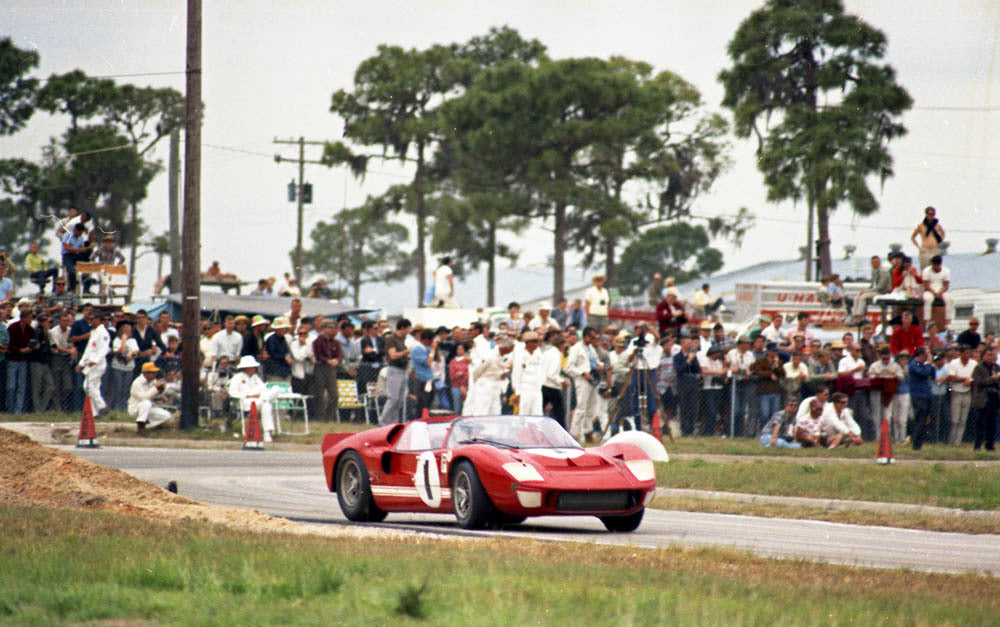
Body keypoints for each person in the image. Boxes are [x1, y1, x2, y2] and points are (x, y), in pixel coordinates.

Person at [566, 326, 604, 442]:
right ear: (586, 336)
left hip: (593, 379)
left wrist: (599, 365)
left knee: (591, 408)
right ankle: (573, 434)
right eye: (592, 337)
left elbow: (595, 360)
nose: (594, 340)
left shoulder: (591, 348)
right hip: (582, 380)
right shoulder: (576, 348)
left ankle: (588, 432)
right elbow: (569, 367)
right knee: (581, 408)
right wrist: (582, 373)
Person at [227, 356, 278, 442]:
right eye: (253, 366)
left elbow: (264, 390)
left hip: (260, 400)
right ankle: (267, 433)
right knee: (266, 403)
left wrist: (261, 396)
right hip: (246, 403)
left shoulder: (256, 378)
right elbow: (232, 392)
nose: (255, 368)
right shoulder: (237, 377)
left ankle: (266, 433)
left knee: (275, 390)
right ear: (247, 368)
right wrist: (249, 396)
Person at [77, 311, 111, 416]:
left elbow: (104, 349)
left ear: (98, 320)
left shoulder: (103, 332)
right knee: (91, 387)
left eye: (92, 319)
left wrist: (95, 361)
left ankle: (101, 406)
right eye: (89, 319)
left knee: (89, 386)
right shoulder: (94, 332)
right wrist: (81, 363)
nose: (90, 322)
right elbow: (89, 349)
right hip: (90, 363)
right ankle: (94, 412)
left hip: (98, 363)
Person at [380, 318, 412, 424]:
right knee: (393, 398)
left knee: (399, 400)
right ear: (402, 328)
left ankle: (393, 422)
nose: (409, 331)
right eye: (408, 329)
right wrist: (406, 352)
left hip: (403, 370)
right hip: (395, 371)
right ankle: (383, 421)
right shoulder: (391, 339)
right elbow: (392, 355)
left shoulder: (402, 340)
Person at [129, 362, 173, 435]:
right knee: (146, 403)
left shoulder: (152, 381)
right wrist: (155, 388)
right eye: (152, 372)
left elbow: (154, 395)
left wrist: (160, 390)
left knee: (167, 415)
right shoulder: (137, 383)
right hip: (135, 408)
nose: (155, 374)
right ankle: (140, 427)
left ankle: (153, 426)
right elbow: (143, 398)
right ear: (146, 373)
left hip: (147, 408)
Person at [946, 344, 977, 445]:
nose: (968, 355)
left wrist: (970, 381)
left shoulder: (974, 363)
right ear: (961, 353)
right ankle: (951, 440)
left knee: (963, 420)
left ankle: (958, 442)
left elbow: (976, 377)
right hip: (956, 393)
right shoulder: (954, 363)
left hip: (968, 393)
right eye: (966, 353)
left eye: (969, 353)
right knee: (955, 419)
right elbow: (951, 377)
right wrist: (964, 379)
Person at [312, 320, 343, 421]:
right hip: (320, 368)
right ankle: (320, 417)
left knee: (334, 394)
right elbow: (318, 356)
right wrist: (328, 360)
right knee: (319, 394)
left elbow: (339, 355)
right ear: (323, 329)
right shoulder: (317, 341)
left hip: (331, 369)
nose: (331, 330)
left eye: (332, 328)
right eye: (329, 328)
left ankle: (329, 417)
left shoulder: (335, 342)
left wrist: (336, 361)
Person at [970, 348, 999, 451]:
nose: (990, 357)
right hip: (983, 398)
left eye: (992, 355)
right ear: (983, 356)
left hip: (994, 397)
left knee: (992, 423)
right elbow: (978, 382)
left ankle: (990, 446)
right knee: (981, 423)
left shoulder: (996, 367)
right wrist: (992, 379)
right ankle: (977, 446)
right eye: (988, 355)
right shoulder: (978, 367)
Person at [673, 335, 703, 436]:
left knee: (693, 407)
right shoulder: (677, 357)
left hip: (693, 383)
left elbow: (697, 369)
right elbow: (679, 370)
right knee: (684, 407)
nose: (690, 345)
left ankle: (691, 428)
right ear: (682, 344)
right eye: (688, 343)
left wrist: (692, 359)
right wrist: (688, 360)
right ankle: (685, 430)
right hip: (683, 383)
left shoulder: (694, 356)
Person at [511, 330, 545, 416]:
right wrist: (518, 392)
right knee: (524, 414)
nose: (537, 343)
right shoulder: (521, 355)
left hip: (537, 389)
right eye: (535, 341)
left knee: (538, 414)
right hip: (525, 389)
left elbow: (541, 371)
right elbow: (516, 374)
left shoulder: (538, 354)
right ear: (528, 343)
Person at [908, 347, 936, 450]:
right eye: (927, 353)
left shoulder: (925, 365)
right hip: (918, 396)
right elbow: (923, 374)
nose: (929, 355)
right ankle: (916, 444)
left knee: (925, 419)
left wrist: (930, 365)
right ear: (921, 354)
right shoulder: (914, 365)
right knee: (920, 419)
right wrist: (928, 364)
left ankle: (920, 441)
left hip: (927, 394)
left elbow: (932, 375)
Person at [851, 255, 892, 324]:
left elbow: (880, 286)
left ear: (879, 262)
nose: (874, 264)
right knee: (857, 296)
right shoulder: (874, 271)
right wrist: (866, 291)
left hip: (882, 292)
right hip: (875, 291)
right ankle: (855, 316)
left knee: (863, 297)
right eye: (872, 263)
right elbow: (872, 284)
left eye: (875, 262)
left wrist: (867, 292)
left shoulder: (883, 271)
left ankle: (860, 317)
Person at [109, 322, 139, 411]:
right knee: (118, 387)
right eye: (125, 330)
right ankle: (116, 408)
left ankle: (124, 408)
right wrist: (124, 340)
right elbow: (121, 351)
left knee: (126, 388)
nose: (127, 332)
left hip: (129, 367)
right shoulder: (117, 340)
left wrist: (131, 353)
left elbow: (136, 351)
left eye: (128, 331)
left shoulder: (133, 340)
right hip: (118, 366)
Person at [540, 331, 567, 427]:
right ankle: (562, 431)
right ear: (561, 345)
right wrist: (562, 381)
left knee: (540, 409)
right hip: (552, 387)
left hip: (543, 385)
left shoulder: (547, 353)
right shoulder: (556, 355)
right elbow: (551, 374)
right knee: (559, 411)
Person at [921, 255, 953, 329]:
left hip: (941, 289)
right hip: (930, 290)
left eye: (936, 265)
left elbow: (946, 286)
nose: (934, 267)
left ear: (940, 264)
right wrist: (934, 293)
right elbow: (926, 285)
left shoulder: (946, 271)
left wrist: (940, 293)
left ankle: (948, 322)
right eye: (933, 265)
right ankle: (927, 322)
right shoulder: (926, 271)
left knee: (950, 299)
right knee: (928, 299)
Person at [410, 328, 437, 417]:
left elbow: (438, 359)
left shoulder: (426, 349)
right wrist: (433, 350)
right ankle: (419, 421)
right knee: (422, 405)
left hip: (429, 379)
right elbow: (429, 363)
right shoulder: (417, 350)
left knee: (429, 403)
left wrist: (436, 349)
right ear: (426, 340)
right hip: (422, 380)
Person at [911, 205, 945, 273]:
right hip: (925, 250)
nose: (931, 216)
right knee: (924, 271)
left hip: (935, 250)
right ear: (926, 214)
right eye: (930, 214)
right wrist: (919, 247)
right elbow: (913, 237)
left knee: (936, 270)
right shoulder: (921, 226)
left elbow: (943, 233)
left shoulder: (937, 225)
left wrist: (940, 241)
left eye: (933, 214)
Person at [263, 317, 293, 382]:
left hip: (284, 371)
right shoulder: (271, 339)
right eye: (283, 328)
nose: (285, 330)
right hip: (274, 370)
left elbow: (285, 352)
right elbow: (272, 354)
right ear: (277, 329)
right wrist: (285, 358)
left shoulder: (283, 339)